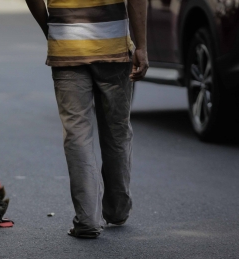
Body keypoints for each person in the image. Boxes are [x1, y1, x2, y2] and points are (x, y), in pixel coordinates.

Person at [25, 0, 149, 238]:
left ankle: (87, 220)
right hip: (114, 47)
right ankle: (117, 209)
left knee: (77, 134)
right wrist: (142, 46)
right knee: (117, 131)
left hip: (67, 46)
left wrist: (50, 30)